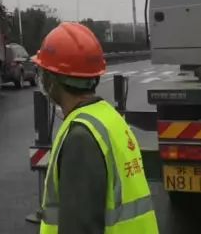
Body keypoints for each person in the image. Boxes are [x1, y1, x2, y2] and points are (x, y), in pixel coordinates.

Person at [35, 22, 158, 234]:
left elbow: (80, 226)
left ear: (53, 81)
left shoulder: (81, 137)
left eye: (44, 72)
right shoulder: (109, 117)